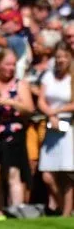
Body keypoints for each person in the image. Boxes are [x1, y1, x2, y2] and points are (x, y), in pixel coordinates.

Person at [0, 49, 34, 215]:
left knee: (13, 174)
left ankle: (16, 210)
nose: (11, 68)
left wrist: (8, 101)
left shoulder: (20, 85)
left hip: (13, 135)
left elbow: (29, 108)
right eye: (7, 64)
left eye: (13, 64)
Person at [37, 42, 73, 216]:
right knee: (48, 176)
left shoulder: (72, 78)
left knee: (67, 174)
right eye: (58, 57)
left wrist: (57, 111)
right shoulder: (48, 76)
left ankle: (65, 214)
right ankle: (61, 207)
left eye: (64, 57)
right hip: (51, 126)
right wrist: (50, 114)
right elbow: (41, 100)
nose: (61, 60)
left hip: (69, 127)